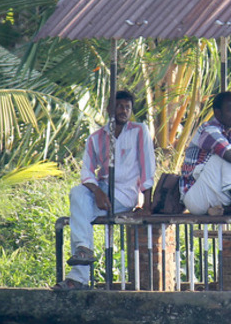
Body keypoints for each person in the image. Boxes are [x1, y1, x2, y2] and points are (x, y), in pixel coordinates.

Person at [56, 90, 156, 290]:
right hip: (100, 192)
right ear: (109, 108)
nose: (123, 111)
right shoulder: (96, 138)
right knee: (77, 193)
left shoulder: (139, 131)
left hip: (124, 194)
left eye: (127, 107)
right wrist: (97, 192)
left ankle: (78, 278)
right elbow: (87, 172)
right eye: (119, 106)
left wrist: (147, 202)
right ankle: (84, 252)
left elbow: (148, 167)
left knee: (81, 213)